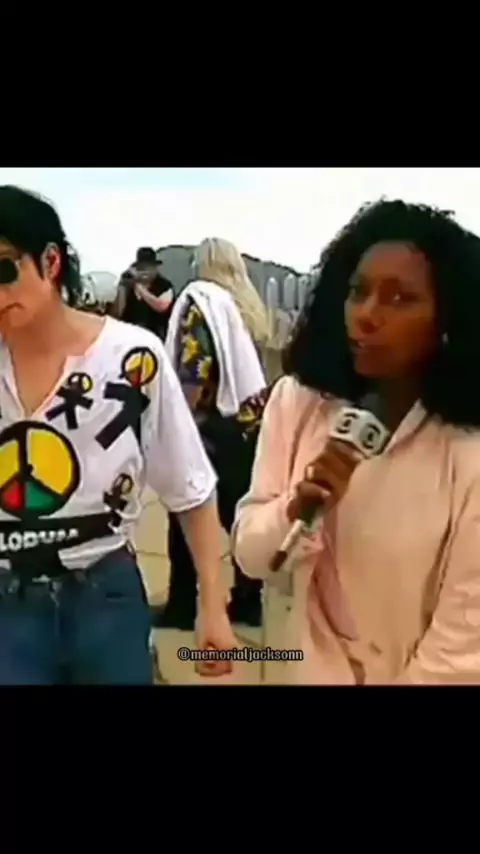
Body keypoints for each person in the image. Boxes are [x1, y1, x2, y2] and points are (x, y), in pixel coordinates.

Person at [232, 199, 480, 684]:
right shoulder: (298, 402)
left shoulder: (466, 449)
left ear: (447, 321)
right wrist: (295, 508)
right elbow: (251, 556)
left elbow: (462, 644)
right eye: (358, 292)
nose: (366, 315)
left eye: (399, 299)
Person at [0, 185, 235, 684]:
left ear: (51, 262)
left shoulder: (132, 358)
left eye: (4, 270)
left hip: (105, 595)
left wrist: (212, 605)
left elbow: (190, 486)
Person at [158, 237, 271, 630]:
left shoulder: (199, 300)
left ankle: (182, 606)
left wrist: (177, 418)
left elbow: (195, 366)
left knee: (186, 510)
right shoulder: (246, 307)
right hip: (246, 424)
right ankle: (248, 600)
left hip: (208, 425)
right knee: (238, 514)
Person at [113, 247, 174, 340]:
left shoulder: (165, 286)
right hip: (130, 337)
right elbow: (116, 315)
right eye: (141, 268)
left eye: (148, 267)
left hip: (156, 337)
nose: (145, 271)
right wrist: (122, 288)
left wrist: (138, 286)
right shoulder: (128, 286)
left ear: (155, 268)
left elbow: (161, 306)